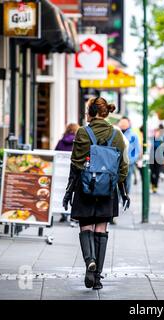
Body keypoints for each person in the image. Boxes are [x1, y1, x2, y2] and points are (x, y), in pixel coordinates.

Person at [62, 97, 129, 290]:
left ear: (91, 112)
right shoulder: (116, 134)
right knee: (101, 229)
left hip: (85, 188)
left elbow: (75, 164)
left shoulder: (83, 132)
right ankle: (97, 278)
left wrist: (69, 191)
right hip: (107, 190)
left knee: (86, 227)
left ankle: (89, 261)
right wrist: (118, 186)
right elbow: (123, 166)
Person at [55, 123, 79, 222]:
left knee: (61, 191)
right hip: (74, 171)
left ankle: (63, 213)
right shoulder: (78, 142)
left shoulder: (61, 141)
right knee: (74, 192)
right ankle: (73, 215)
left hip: (61, 171)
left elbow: (55, 153)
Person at [118, 117, 141, 194]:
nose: (123, 124)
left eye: (125, 123)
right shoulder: (116, 134)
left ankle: (125, 197)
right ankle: (119, 199)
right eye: (122, 122)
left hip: (129, 163)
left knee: (127, 181)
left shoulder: (133, 136)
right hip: (117, 163)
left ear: (129, 124)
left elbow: (137, 150)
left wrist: (131, 160)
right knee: (117, 181)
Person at [150, 124, 164, 193]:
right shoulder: (152, 138)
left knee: (157, 172)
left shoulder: (163, 139)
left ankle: (155, 186)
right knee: (151, 172)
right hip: (151, 158)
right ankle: (152, 184)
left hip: (159, 158)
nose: (156, 133)